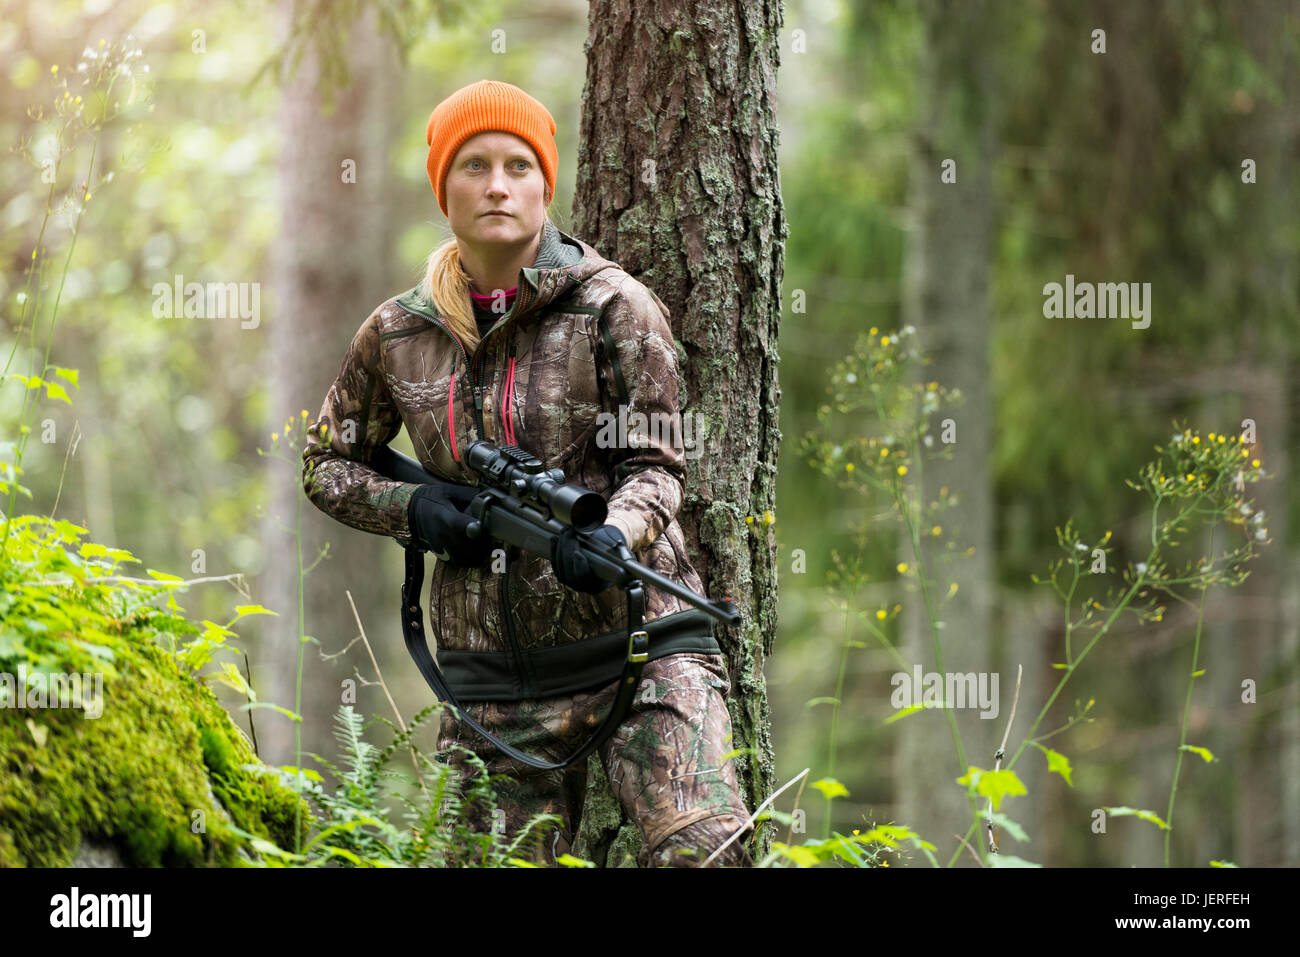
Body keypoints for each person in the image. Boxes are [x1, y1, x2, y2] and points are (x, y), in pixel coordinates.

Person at [301, 79, 754, 867]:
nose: (498, 185)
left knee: (706, 853)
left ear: (547, 182)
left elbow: (656, 463)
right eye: (474, 166)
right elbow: (325, 463)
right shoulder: (398, 332)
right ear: (444, 188)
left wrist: (612, 531)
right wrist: (418, 511)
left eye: (518, 164)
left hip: (643, 644)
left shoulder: (615, 304)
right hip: (493, 683)